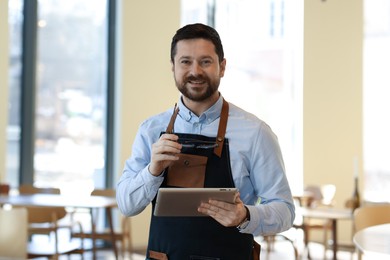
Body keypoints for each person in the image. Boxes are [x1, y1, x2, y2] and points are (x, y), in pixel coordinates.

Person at [117, 23, 295, 260]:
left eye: (205, 61)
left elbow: (285, 210)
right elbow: (127, 205)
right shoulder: (151, 130)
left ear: (222, 67)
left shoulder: (256, 133)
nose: (195, 71)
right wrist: (152, 171)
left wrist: (246, 216)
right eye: (185, 61)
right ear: (173, 67)